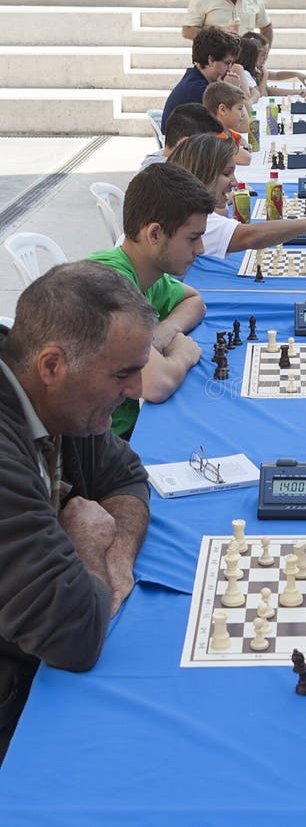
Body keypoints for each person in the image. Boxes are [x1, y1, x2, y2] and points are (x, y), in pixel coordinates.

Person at [0, 261, 155, 761]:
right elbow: (76, 634)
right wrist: (87, 540)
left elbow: (126, 475)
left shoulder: (59, 402)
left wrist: (115, 560)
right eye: (122, 374)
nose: (136, 391)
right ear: (52, 365)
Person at [89, 163, 215, 438]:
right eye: (192, 238)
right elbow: (157, 385)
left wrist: (164, 333)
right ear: (155, 234)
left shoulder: (147, 273)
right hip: (106, 442)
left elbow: (195, 302)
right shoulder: (111, 284)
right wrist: (184, 353)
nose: (201, 249)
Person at [167, 133, 306, 257]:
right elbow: (252, 236)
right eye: (226, 173)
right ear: (201, 173)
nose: (234, 182)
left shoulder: (184, 206)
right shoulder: (193, 217)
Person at [161, 28, 241, 132]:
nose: (230, 69)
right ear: (211, 60)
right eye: (227, 63)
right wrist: (231, 90)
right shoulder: (198, 90)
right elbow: (242, 125)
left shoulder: (194, 78)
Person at [140, 103, 224, 170]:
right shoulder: (166, 176)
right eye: (209, 148)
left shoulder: (163, 159)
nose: (212, 154)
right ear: (185, 145)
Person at [242, 31, 306, 97]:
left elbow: (276, 76)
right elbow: (260, 93)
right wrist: (265, 74)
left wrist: (296, 74)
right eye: (263, 55)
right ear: (252, 55)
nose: (265, 58)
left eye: (266, 54)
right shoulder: (245, 74)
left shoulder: (258, 69)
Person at [201, 82, 252, 165]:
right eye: (239, 109)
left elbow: (240, 139)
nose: (243, 113)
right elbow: (246, 158)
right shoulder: (215, 136)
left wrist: (243, 145)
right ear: (222, 110)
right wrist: (243, 149)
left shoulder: (224, 130)